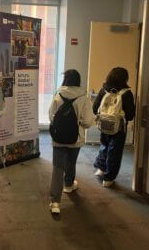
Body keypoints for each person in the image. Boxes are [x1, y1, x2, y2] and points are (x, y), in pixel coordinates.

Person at [49, 69, 94, 214]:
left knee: (57, 168)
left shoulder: (58, 94)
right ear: (78, 80)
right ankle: (68, 184)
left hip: (59, 138)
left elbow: (51, 116)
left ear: (65, 80)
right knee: (71, 162)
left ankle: (55, 202)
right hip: (76, 139)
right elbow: (87, 122)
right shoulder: (84, 97)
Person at [93, 67, 135, 188]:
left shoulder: (104, 90)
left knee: (104, 145)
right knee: (115, 151)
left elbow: (95, 108)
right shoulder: (127, 93)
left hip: (104, 124)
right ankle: (108, 178)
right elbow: (131, 115)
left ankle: (100, 168)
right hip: (119, 127)